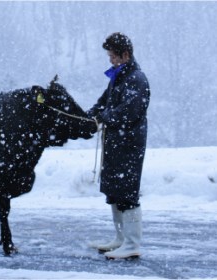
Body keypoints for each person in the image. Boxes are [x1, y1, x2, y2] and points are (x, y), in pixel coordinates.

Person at [87, 32, 150, 259]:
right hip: (115, 143)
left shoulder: (137, 79)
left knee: (127, 193)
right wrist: (88, 116)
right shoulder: (118, 77)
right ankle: (121, 239)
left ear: (125, 55)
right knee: (114, 191)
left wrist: (104, 117)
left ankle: (132, 244)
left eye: (113, 56)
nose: (110, 60)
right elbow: (103, 102)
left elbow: (129, 112)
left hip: (129, 144)